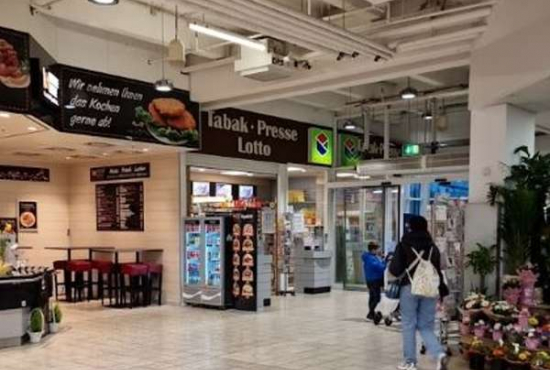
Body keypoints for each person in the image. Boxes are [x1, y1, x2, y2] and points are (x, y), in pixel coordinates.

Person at [389, 216, 449, 370]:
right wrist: (442, 291)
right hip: (430, 289)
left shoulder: (404, 245)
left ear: (411, 227)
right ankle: (439, 354)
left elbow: (395, 270)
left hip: (410, 288)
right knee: (426, 326)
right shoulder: (432, 246)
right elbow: (438, 270)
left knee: (409, 325)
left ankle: (410, 362)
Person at [362, 241, 386, 321]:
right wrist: (385, 262)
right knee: (377, 298)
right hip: (374, 280)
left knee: (372, 297)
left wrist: (381, 259)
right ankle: (370, 313)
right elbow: (380, 268)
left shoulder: (370, 257)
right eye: (377, 249)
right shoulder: (371, 259)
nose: (378, 251)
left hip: (370, 280)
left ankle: (371, 313)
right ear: (373, 250)